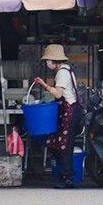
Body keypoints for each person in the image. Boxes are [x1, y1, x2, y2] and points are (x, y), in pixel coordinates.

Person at [33, 44, 83, 189]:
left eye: (49, 60)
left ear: (55, 61)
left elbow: (58, 94)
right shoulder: (67, 70)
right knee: (62, 144)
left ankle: (68, 178)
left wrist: (44, 85)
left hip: (70, 112)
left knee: (64, 146)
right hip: (71, 110)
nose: (48, 63)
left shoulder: (62, 73)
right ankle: (64, 174)